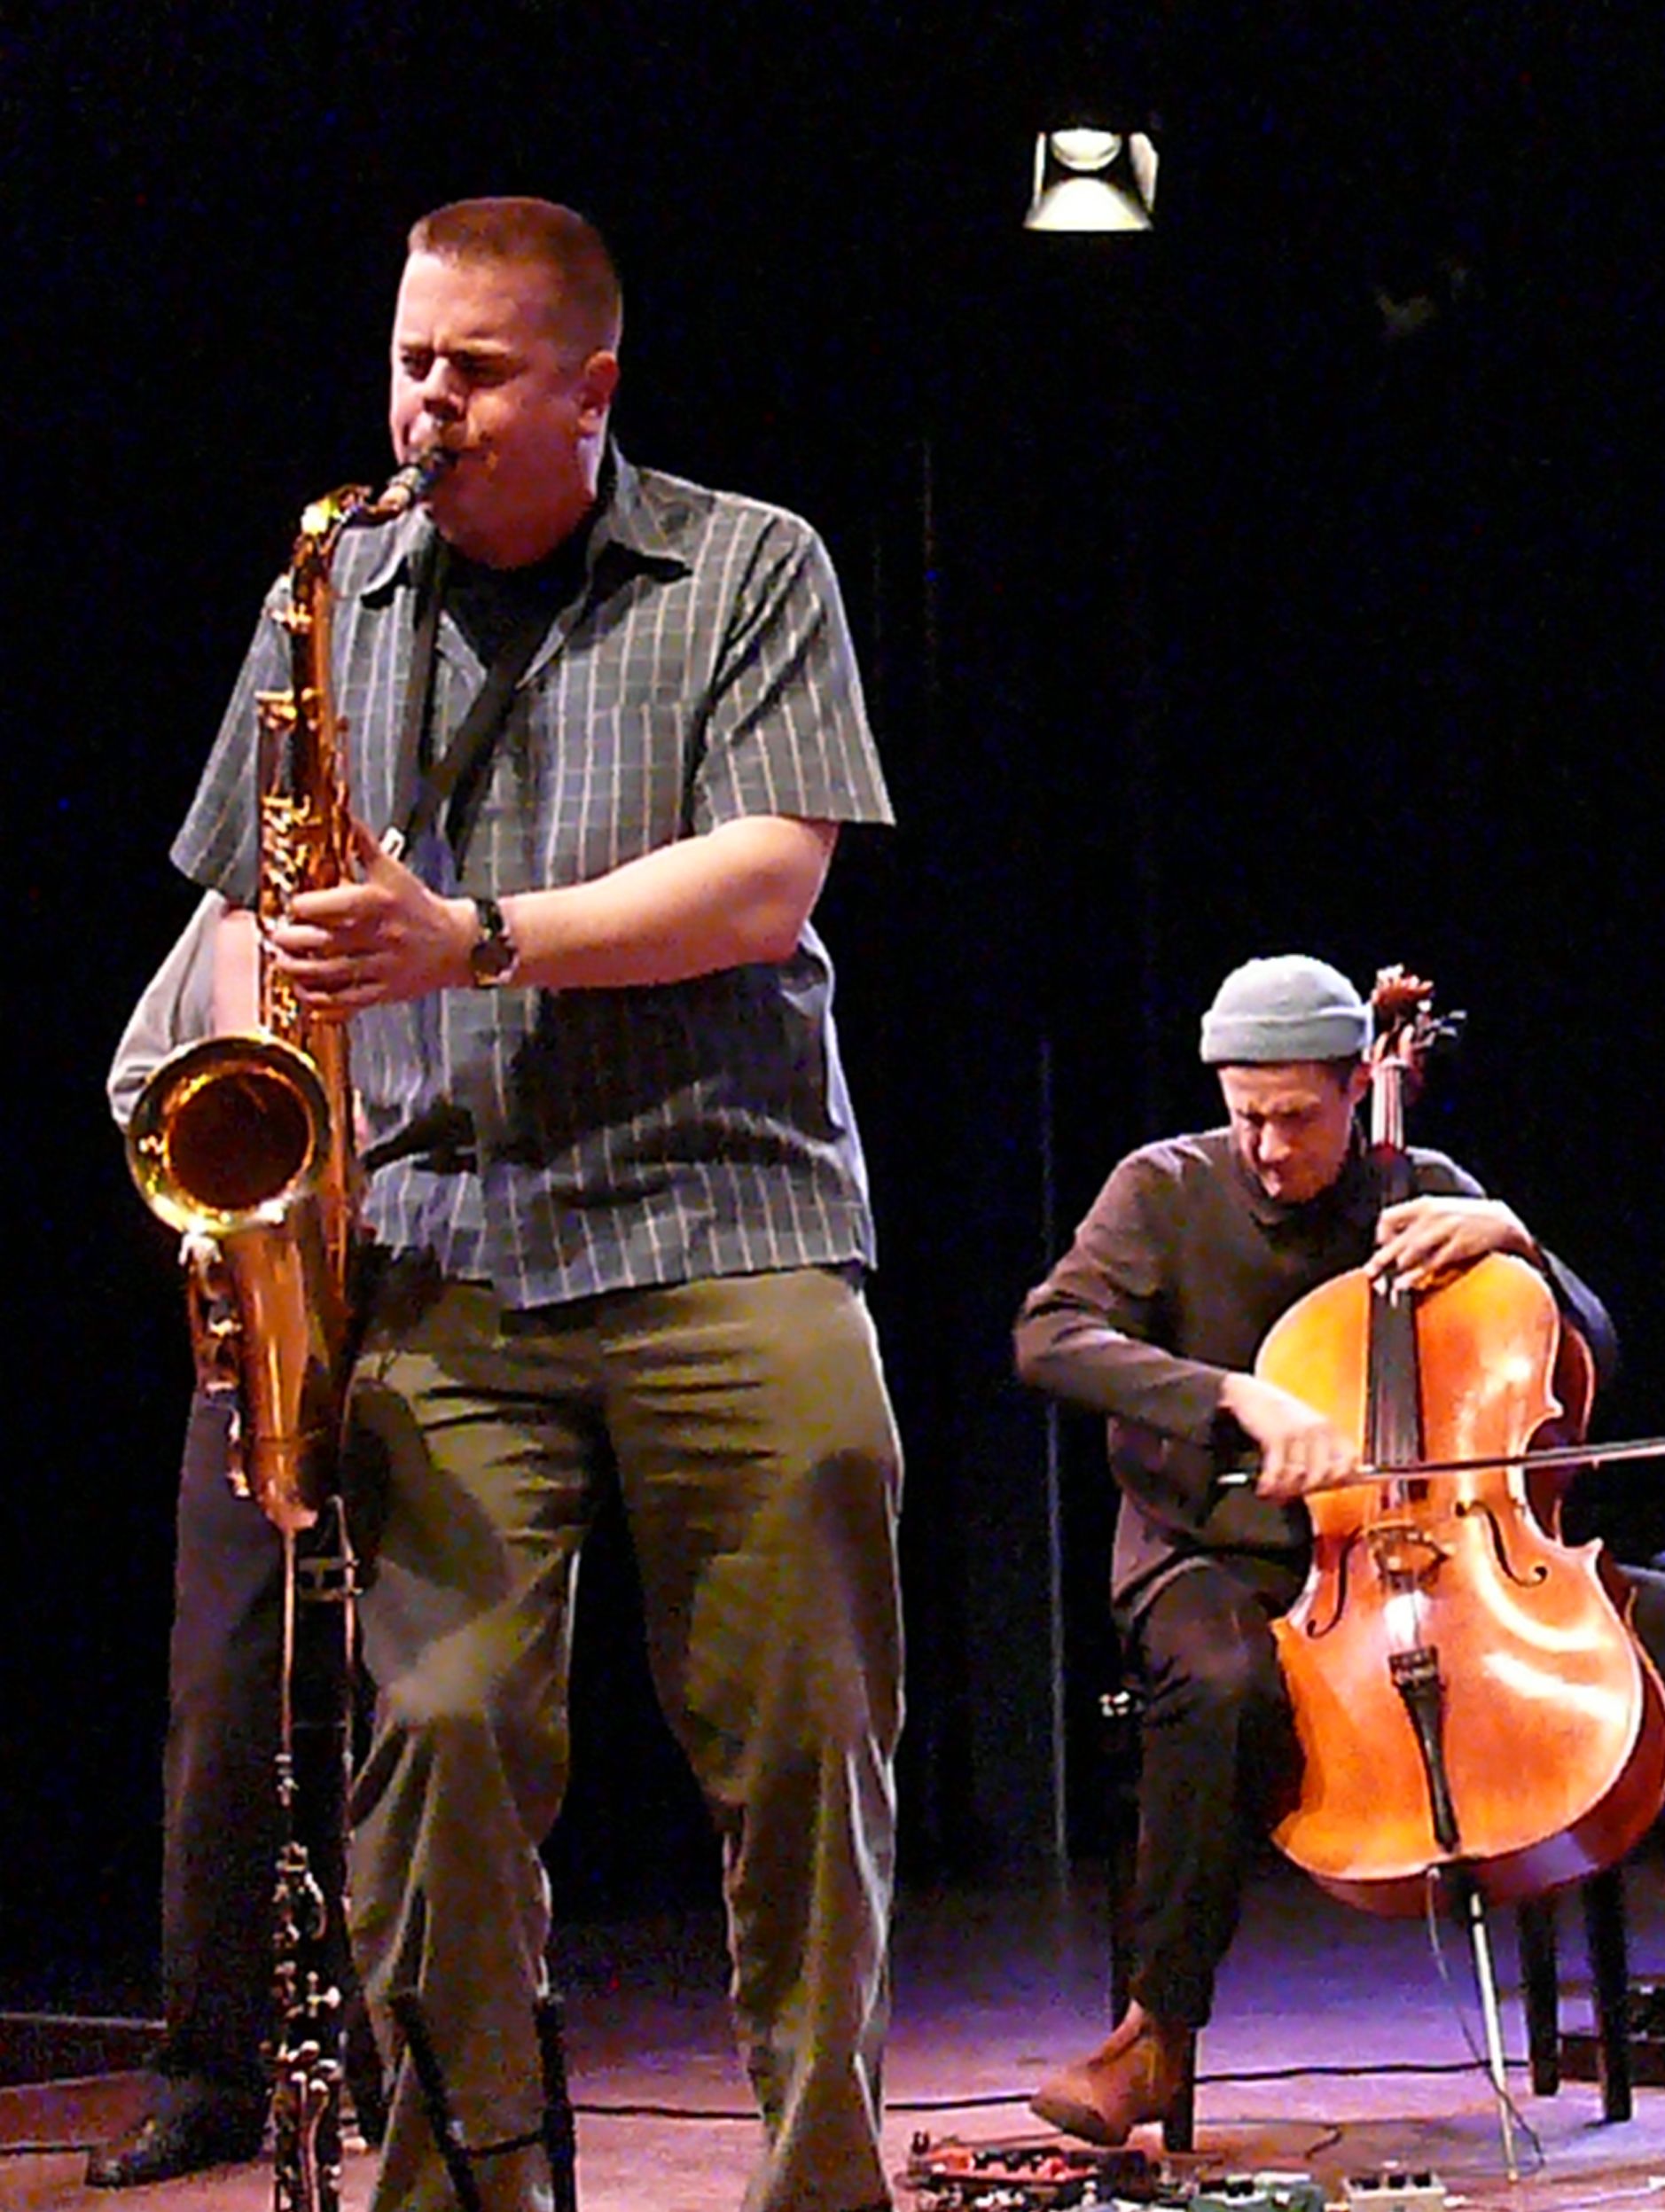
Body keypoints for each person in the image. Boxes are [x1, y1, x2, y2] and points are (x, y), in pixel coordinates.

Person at [168, 197, 903, 2212]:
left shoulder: (752, 565)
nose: (427, 407)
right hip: (444, 1253)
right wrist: (259, 1124)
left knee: (804, 1740)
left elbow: (770, 881)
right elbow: (247, 902)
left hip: (724, 1228)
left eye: (475, 373)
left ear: (589, 388)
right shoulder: (332, 590)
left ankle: (821, 2173)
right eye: (412, 360)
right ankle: (462, 2179)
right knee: (448, 1735)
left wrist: (466, 938)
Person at [1012, 953, 1665, 2148]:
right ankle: (1154, 2036)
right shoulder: (1161, 1191)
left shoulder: (1429, 1195)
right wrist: (1232, 1398)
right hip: (1216, 1553)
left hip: (1445, 1553)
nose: (1263, 1145)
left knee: (1662, 1619)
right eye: (1243, 1113)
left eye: (1293, 1117)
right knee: (1223, 1681)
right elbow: (1048, 1337)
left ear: (1359, 1087)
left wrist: (1518, 1242)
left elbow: (1582, 1345)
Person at [89, 893, 390, 2189]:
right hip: (266, 1351)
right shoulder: (241, 907)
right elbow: (148, 1089)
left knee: (414, 1713)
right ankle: (212, 2074)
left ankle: (400, 2061)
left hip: (431, 1317)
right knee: (221, 1712)